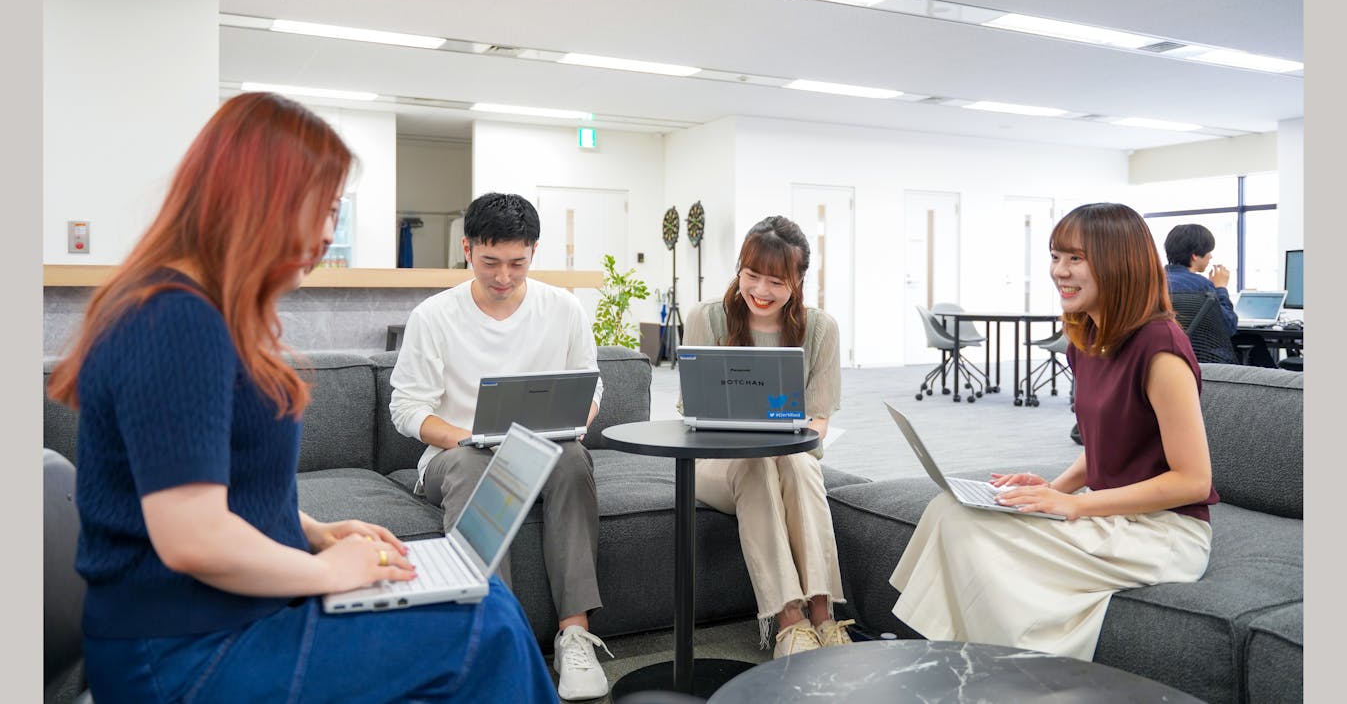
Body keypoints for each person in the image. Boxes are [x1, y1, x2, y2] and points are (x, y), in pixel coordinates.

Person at [45, 93, 556, 702]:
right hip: (183, 652)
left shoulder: (197, 310)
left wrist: (313, 531)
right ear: (257, 200)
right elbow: (192, 537)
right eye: (322, 209)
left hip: (224, 618)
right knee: (484, 625)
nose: (327, 233)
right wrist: (323, 571)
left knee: (482, 594)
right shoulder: (174, 320)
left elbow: (220, 487)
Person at [889, 202, 1219, 661]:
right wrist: (1054, 488)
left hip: (1163, 532)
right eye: (1055, 256)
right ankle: (971, 659)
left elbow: (1193, 481)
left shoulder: (1160, 347)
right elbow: (1113, 442)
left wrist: (1075, 504)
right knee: (948, 509)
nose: (1059, 271)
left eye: (1075, 258)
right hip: (1112, 513)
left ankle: (1007, 667)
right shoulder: (1086, 342)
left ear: (1119, 263)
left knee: (972, 534)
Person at [389, 193, 610, 701]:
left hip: (541, 449)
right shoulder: (434, 316)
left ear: (533, 252)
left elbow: (589, 384)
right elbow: (407, 408)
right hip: (456, 455)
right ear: (467, 249)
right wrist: (469, 437)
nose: (504, 276)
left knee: (573, 458)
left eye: (517, 263)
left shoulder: (564, 308)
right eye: (490, 262)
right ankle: (500, 641)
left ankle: (575, 635)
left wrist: (573, 422)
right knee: (474, 465)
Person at [679, 216, 850, 658]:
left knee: (799, 464)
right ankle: (789, 620)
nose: (760, 290)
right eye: (752, 274)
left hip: (789, 457)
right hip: (717, 465)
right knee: (757, 464)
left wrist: (786, 445)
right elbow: (693, 411)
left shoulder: (821, 329)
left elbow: (818, 420)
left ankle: (823, 614)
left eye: (776, 281)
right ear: (740, 268)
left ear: (799, 280)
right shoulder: (707, 318)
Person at [1163, 223, 1276, 367]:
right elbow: (1228, 326)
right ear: (1195, 256)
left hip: (1168, 357)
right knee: (1255, 341)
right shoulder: (1202, 285)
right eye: (1208, 252)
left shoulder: (1154, 281)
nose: (1210, 256)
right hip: (1204, 359)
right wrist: (1220, 288)